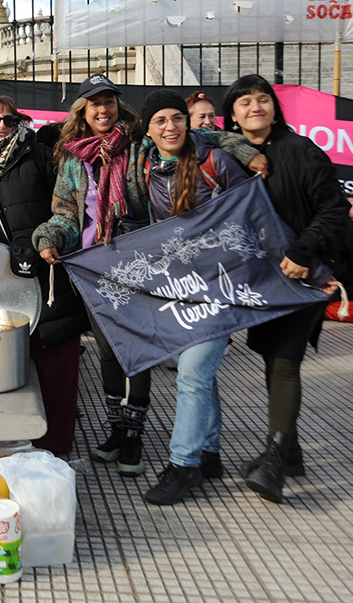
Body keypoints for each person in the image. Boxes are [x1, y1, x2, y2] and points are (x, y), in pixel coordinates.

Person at [34, 75, 262, 477]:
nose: (103, 110)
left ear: (118, 108)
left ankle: (135, 436)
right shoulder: (72, 158)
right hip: (94, 268)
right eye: (94, 104)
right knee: (107, 351)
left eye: (109, 102)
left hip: (140, 264)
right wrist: (49, 236)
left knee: (135, 348)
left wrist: (245, 148)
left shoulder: (139, 145)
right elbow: (65, 214)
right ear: (83, 113)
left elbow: (205, 139)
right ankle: (116, 431)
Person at [222, 74, 349, 504]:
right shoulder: (231, 157)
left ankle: (275, 461)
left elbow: (333, 210)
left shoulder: (300, 151)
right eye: (244, 103)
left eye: (263, 100)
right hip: (260, 280)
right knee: (271, 353)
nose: (255, 107)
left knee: (283, 361)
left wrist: (302, 251)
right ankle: (290, 451)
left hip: (301, 272)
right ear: (233, 115)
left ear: (275, 108)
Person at [134, 90, 249, 505]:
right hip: (181, 290)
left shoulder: (215, 161)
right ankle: (210, 454)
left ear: (189, 121)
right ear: (148, 129)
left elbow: (251, 210)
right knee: (198, 371)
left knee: (192, 373)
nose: (171, 127)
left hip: (220, 285)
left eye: (177, 118)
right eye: (161, 120)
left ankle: (183, 464)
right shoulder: (147, 165)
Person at [0, 95, 85, 457]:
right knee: (3, 368)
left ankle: (56, 448)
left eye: (9, 119)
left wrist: (42, 239)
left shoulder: (40, 155)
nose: (1, 125)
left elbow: (65, 206)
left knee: (57, 363)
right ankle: (10, 448)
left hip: (47, 273)